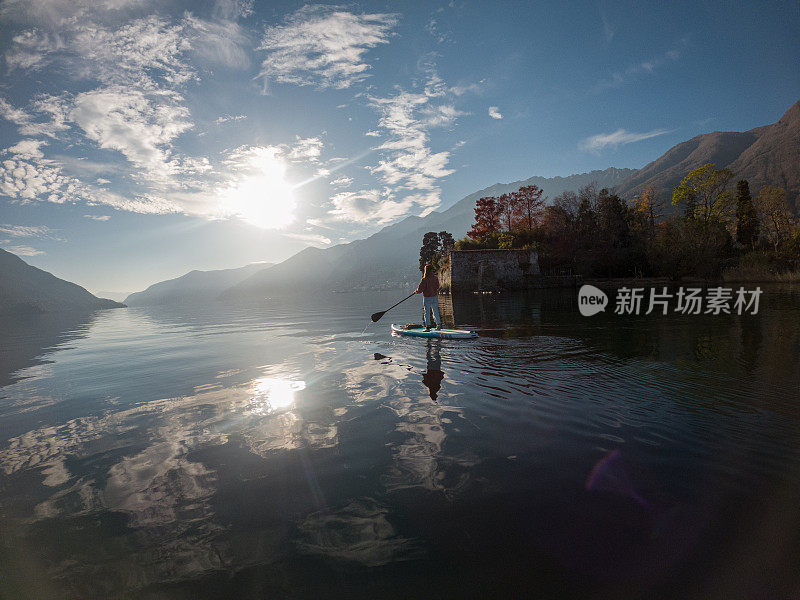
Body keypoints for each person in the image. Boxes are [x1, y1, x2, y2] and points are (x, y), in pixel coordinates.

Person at [415, 264, 440, 331]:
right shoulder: (435, 278)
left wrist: (416, 291)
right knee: (436, 311)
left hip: (427, 298)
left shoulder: (424, 279)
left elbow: (420, 290)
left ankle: (428, 327)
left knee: (427, 312)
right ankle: (438, 325)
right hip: (434, 297)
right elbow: (437, 287)